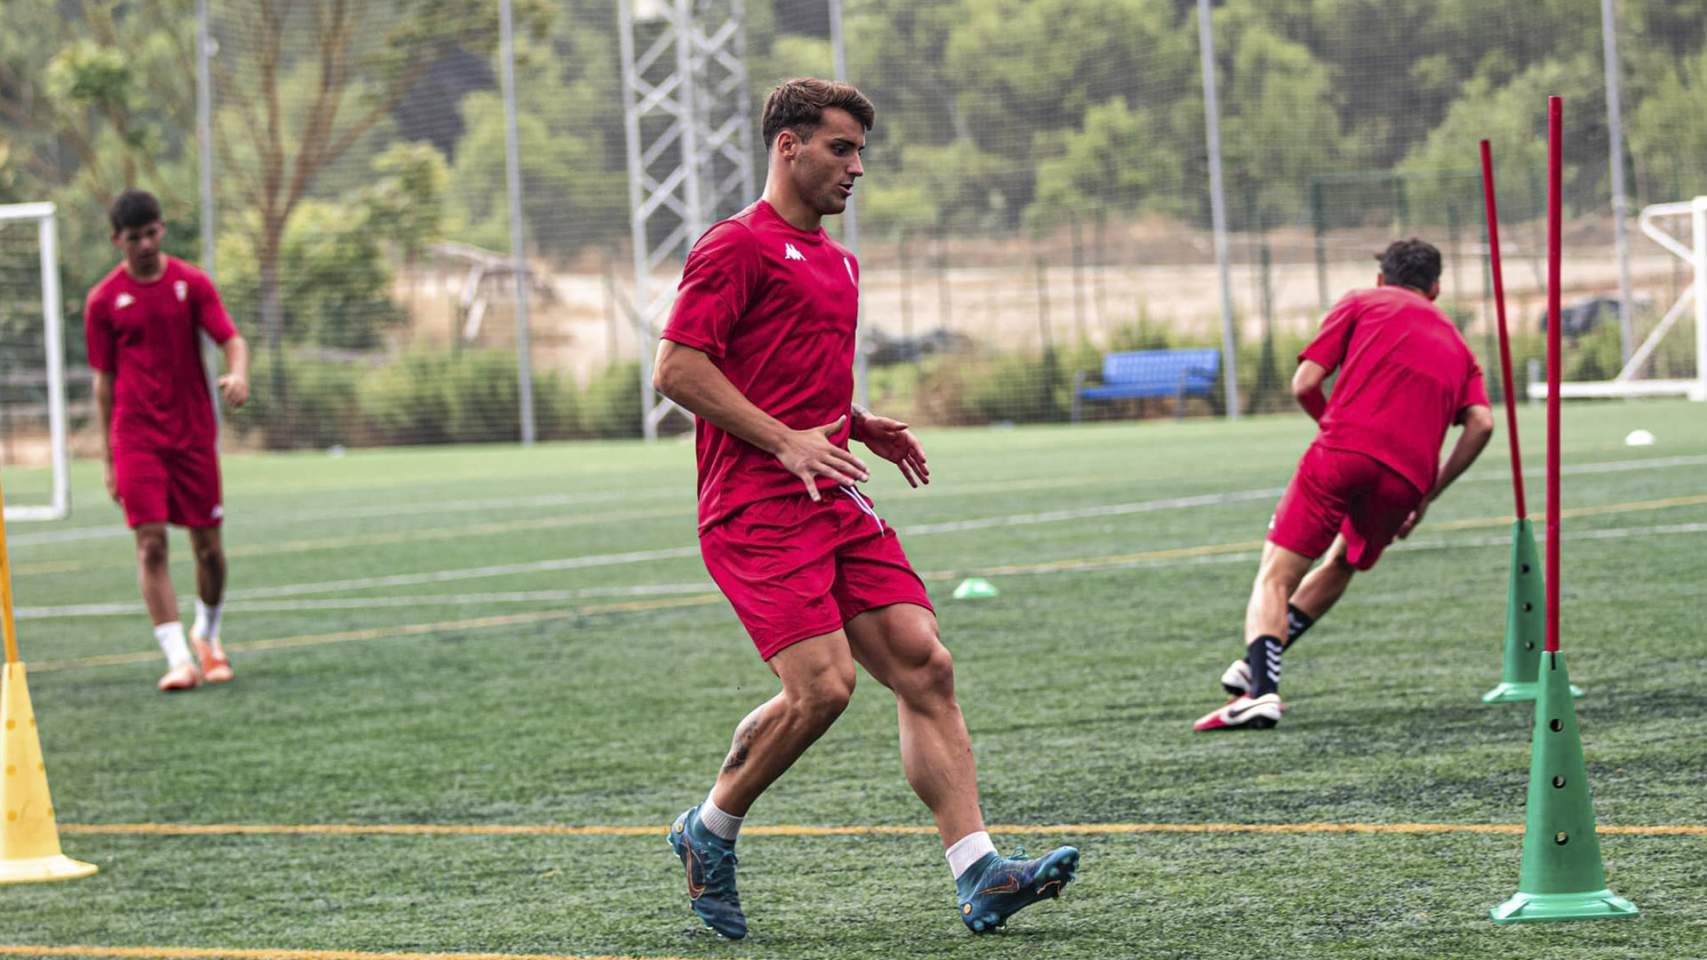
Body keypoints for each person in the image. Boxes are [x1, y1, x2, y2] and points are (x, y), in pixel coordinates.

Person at [653, 78, 1078, 939]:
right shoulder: (733, 247)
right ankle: (709, 828)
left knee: (925, 665)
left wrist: (852, 422)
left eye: (860, 152)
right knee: (823, 690)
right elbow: (677, 371)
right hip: (754, 507)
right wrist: (785, 442)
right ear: (789, 145)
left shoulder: (840, 261)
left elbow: (781, 373)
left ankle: (980, 872)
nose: (855, 168)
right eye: (841, 149)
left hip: (831, 493)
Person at [1195, 239, 1495, 731]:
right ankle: (1258, 663)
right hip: (1406, 479)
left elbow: (1304, 385)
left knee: (1276, 575)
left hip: (1343, 453)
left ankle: (1262, 695)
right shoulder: (1460, 348)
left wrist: (1332, 429)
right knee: (1343, 561)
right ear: (1435, 289)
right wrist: (1427, 495)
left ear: (1383, 280)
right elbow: (1481, 424)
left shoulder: (1361, 301)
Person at [84, 189, 249, 692]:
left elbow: (231, 339)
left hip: (194, 434)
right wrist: (110, 459)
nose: (146, 244)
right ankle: (177, 658)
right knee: (151, 543)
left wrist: (238, 374)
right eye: (134, 238)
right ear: (118, 240)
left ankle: (208, 634)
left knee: (209, 552)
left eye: (152, 233)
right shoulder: (103, 301)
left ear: (163, 230)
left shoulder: (191, 284)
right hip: (136, 437)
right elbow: (104, 382)